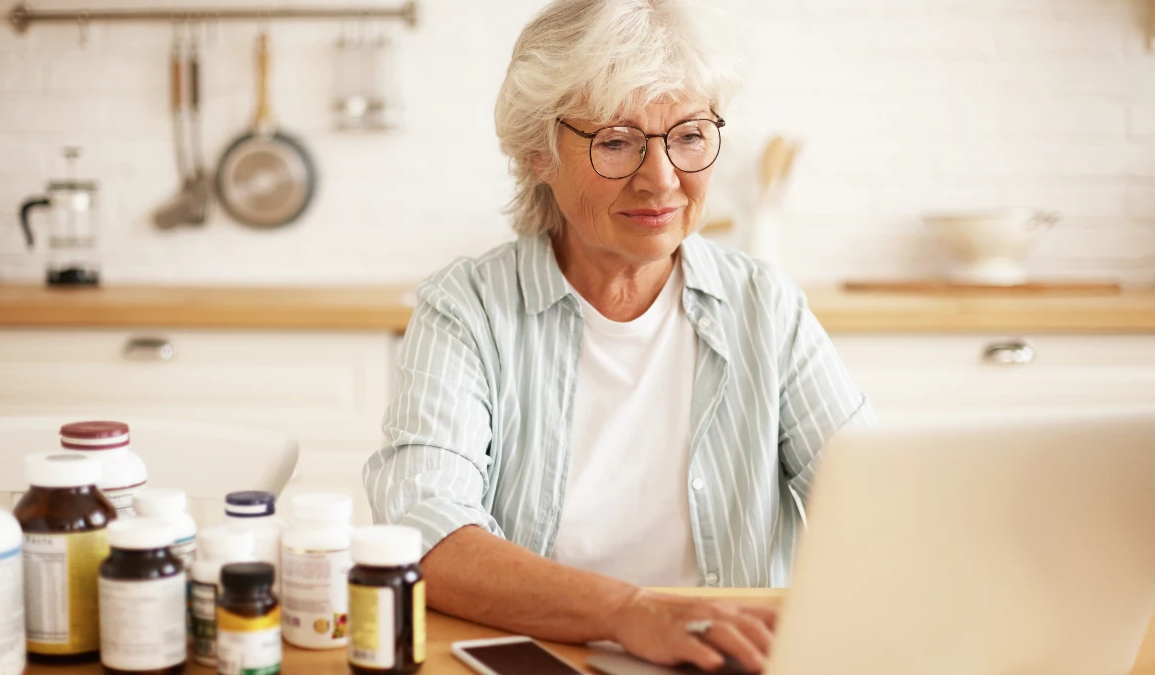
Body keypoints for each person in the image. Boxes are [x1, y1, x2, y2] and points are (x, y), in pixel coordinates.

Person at [363, 0, 874, 670]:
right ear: (535, 154)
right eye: (615, 141)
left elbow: (876, 506)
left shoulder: (765, 307)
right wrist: (629, 612)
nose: (661, 178)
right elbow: (427, 534)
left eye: (689, 135)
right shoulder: (468, 309)